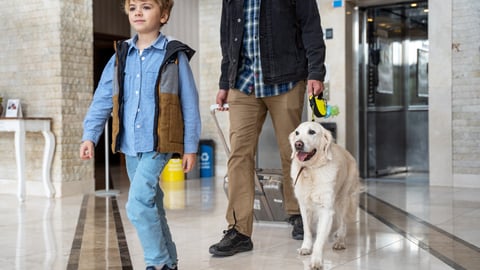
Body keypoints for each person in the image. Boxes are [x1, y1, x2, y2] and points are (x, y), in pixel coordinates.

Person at [79, 0, 201, 269]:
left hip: (159, 142)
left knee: (136, 205)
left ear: (164, 14)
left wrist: (190, 147)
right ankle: (169, 262)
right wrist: (90, 135)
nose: (137, 12)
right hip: (130, 145)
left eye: (146, 6)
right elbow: (102, 99)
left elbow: (189, 103)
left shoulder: (173, 55)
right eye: (133, 6)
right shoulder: (120, 55)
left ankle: (155, 263)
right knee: (152, 203)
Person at [209, 0, 326, 257]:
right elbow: (227, 37)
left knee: (294, 152)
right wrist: (224, 82)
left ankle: (298, 215)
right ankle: (239, 230)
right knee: (239, 154)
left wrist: (316, 71)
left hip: (286, 78)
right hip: (243, 81)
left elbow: (310, 26)